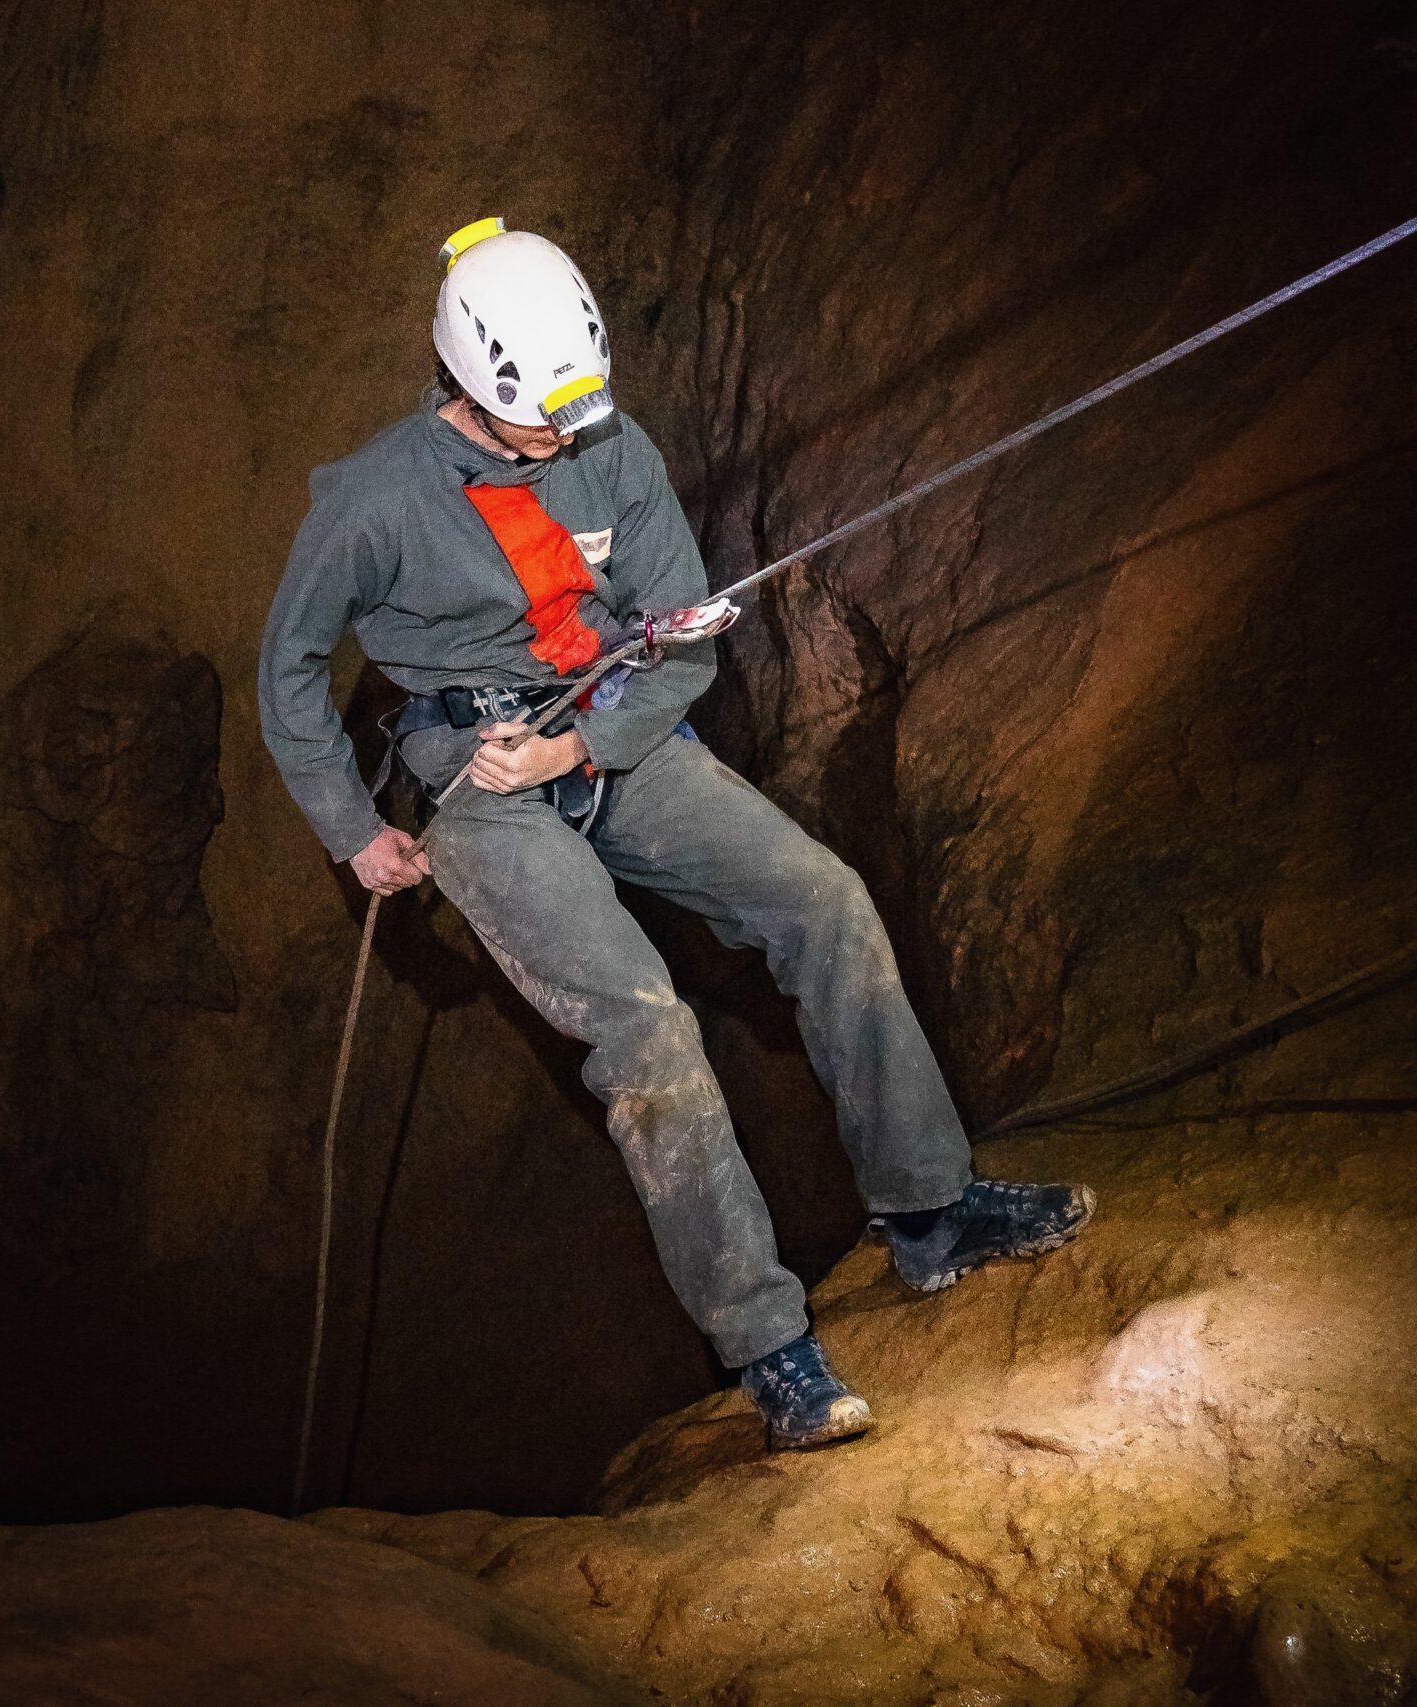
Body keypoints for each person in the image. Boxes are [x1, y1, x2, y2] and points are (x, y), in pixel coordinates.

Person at [256, 218, 1093, 1450]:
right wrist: (349, 829)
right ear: (468, 386)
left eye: (576, 411)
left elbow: (682, 636)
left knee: (824, 899)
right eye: (539, 417)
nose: (565, 436)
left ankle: (927, 1213)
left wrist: (580, 744)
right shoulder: (374, 500)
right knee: (647, 1028)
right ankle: (768, 1347)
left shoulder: (610, 448)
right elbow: (284, 668)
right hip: (473, 778)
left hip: (605, 728)